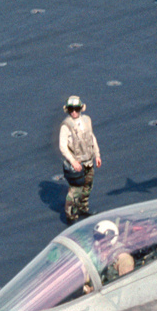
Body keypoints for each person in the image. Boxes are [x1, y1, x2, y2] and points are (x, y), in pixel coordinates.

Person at [57, 95, 101, 224]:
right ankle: (71, 217)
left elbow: (92, 137)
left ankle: (83, 208)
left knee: (87, 186)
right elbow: (62, 146)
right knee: (75, 191)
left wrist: (97, 155)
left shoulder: (87, 120)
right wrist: (73, 161)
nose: (74, 112)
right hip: (77, 164)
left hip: (88, 160)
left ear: (81, 108)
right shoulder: (66, 125)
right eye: (71, 109)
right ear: (67, 110)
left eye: (76, 109)